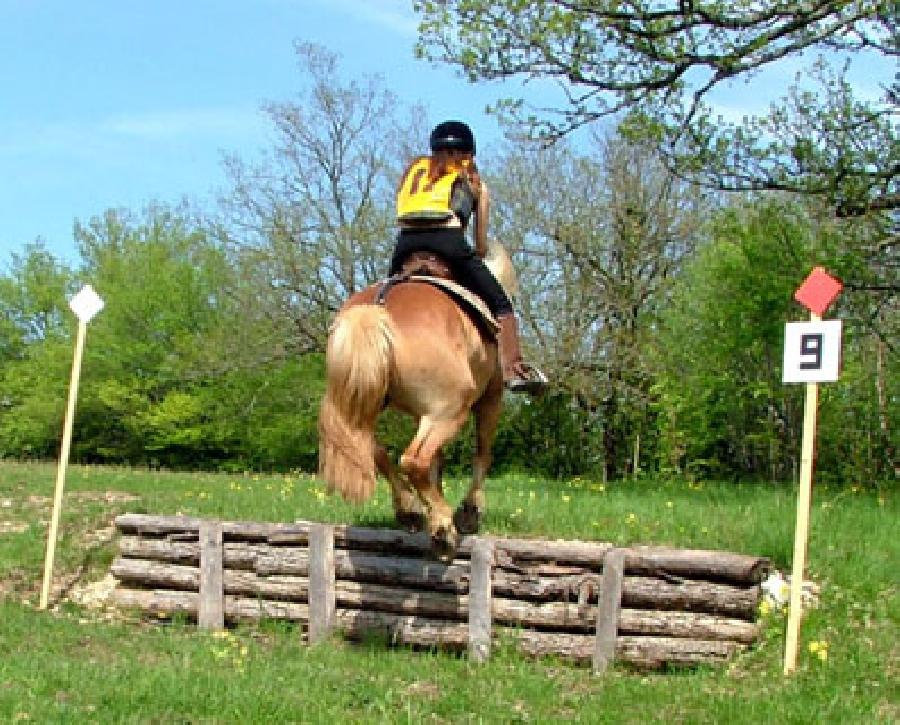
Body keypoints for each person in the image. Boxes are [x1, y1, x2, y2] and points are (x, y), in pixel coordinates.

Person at [391, 120, 547, 395]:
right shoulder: (471, 179)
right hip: (448, 242)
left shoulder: (414, 173)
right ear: (469, 153)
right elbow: (481, 242)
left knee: (386, 299)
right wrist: (478, 253)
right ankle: (514, 370)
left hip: (405, 244)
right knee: (501, 304)